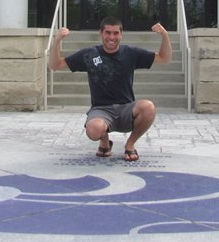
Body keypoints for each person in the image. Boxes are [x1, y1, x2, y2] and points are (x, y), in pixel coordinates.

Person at [48, 16, 172, 162]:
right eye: (108, 33)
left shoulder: (131, 53)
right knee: (93, 130)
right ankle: (105, 142)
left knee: (148, 107)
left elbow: (164, 58)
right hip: (101, 110)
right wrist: (57, 41)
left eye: (115, 33)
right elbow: (55, 65)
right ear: (101, 33)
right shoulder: (90, 54)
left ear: (121, 34)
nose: (111, 37)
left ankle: (130, 144)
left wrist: (165, 35)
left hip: (126, 109)